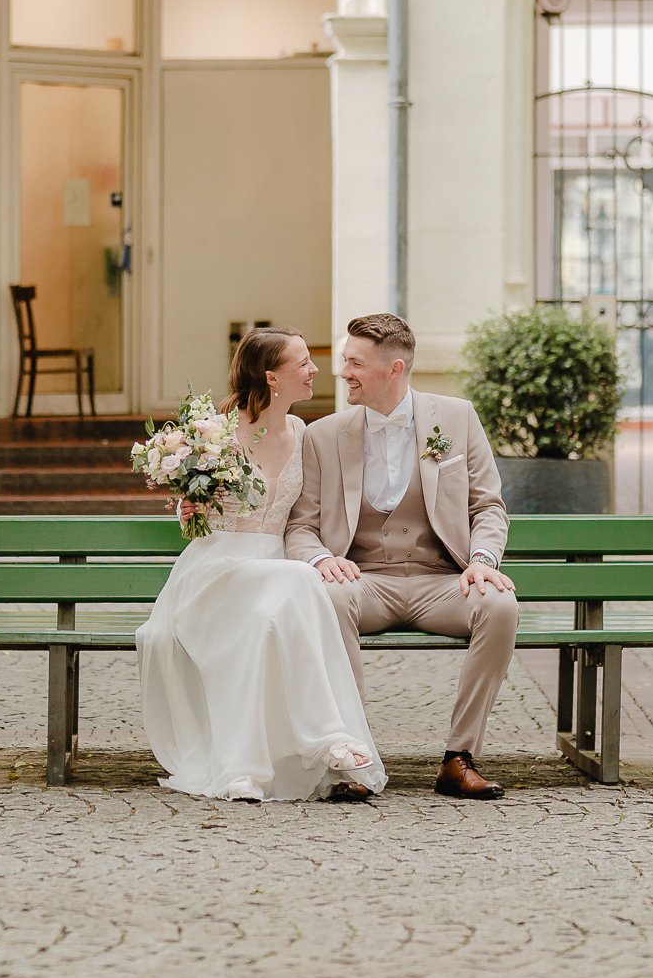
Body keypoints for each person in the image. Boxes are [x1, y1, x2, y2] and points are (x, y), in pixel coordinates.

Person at [135, 329, 387, 803]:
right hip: (216, 571)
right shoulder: (212, 433)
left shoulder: (304, 434)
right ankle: (327, 736)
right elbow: (190, 507)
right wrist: (187, 507)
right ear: (272, 377)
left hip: (276, 572)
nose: (315, 370)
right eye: (303, 362)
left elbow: (310, 514)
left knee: (275, 616)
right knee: (301, 581)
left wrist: (328, 553)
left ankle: (245, 768)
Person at [285, 313, 519, 800]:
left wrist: (482, 560)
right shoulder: (322, 434)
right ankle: (352, 757)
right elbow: (301, 525)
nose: (343, 372)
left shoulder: (457, 417)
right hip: (365, 580)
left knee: (499, 605)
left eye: (355, 363)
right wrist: (321, 560)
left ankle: (459, 758)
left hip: (442, 581)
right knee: (328, 597)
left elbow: (488, 507)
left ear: (394, 368)